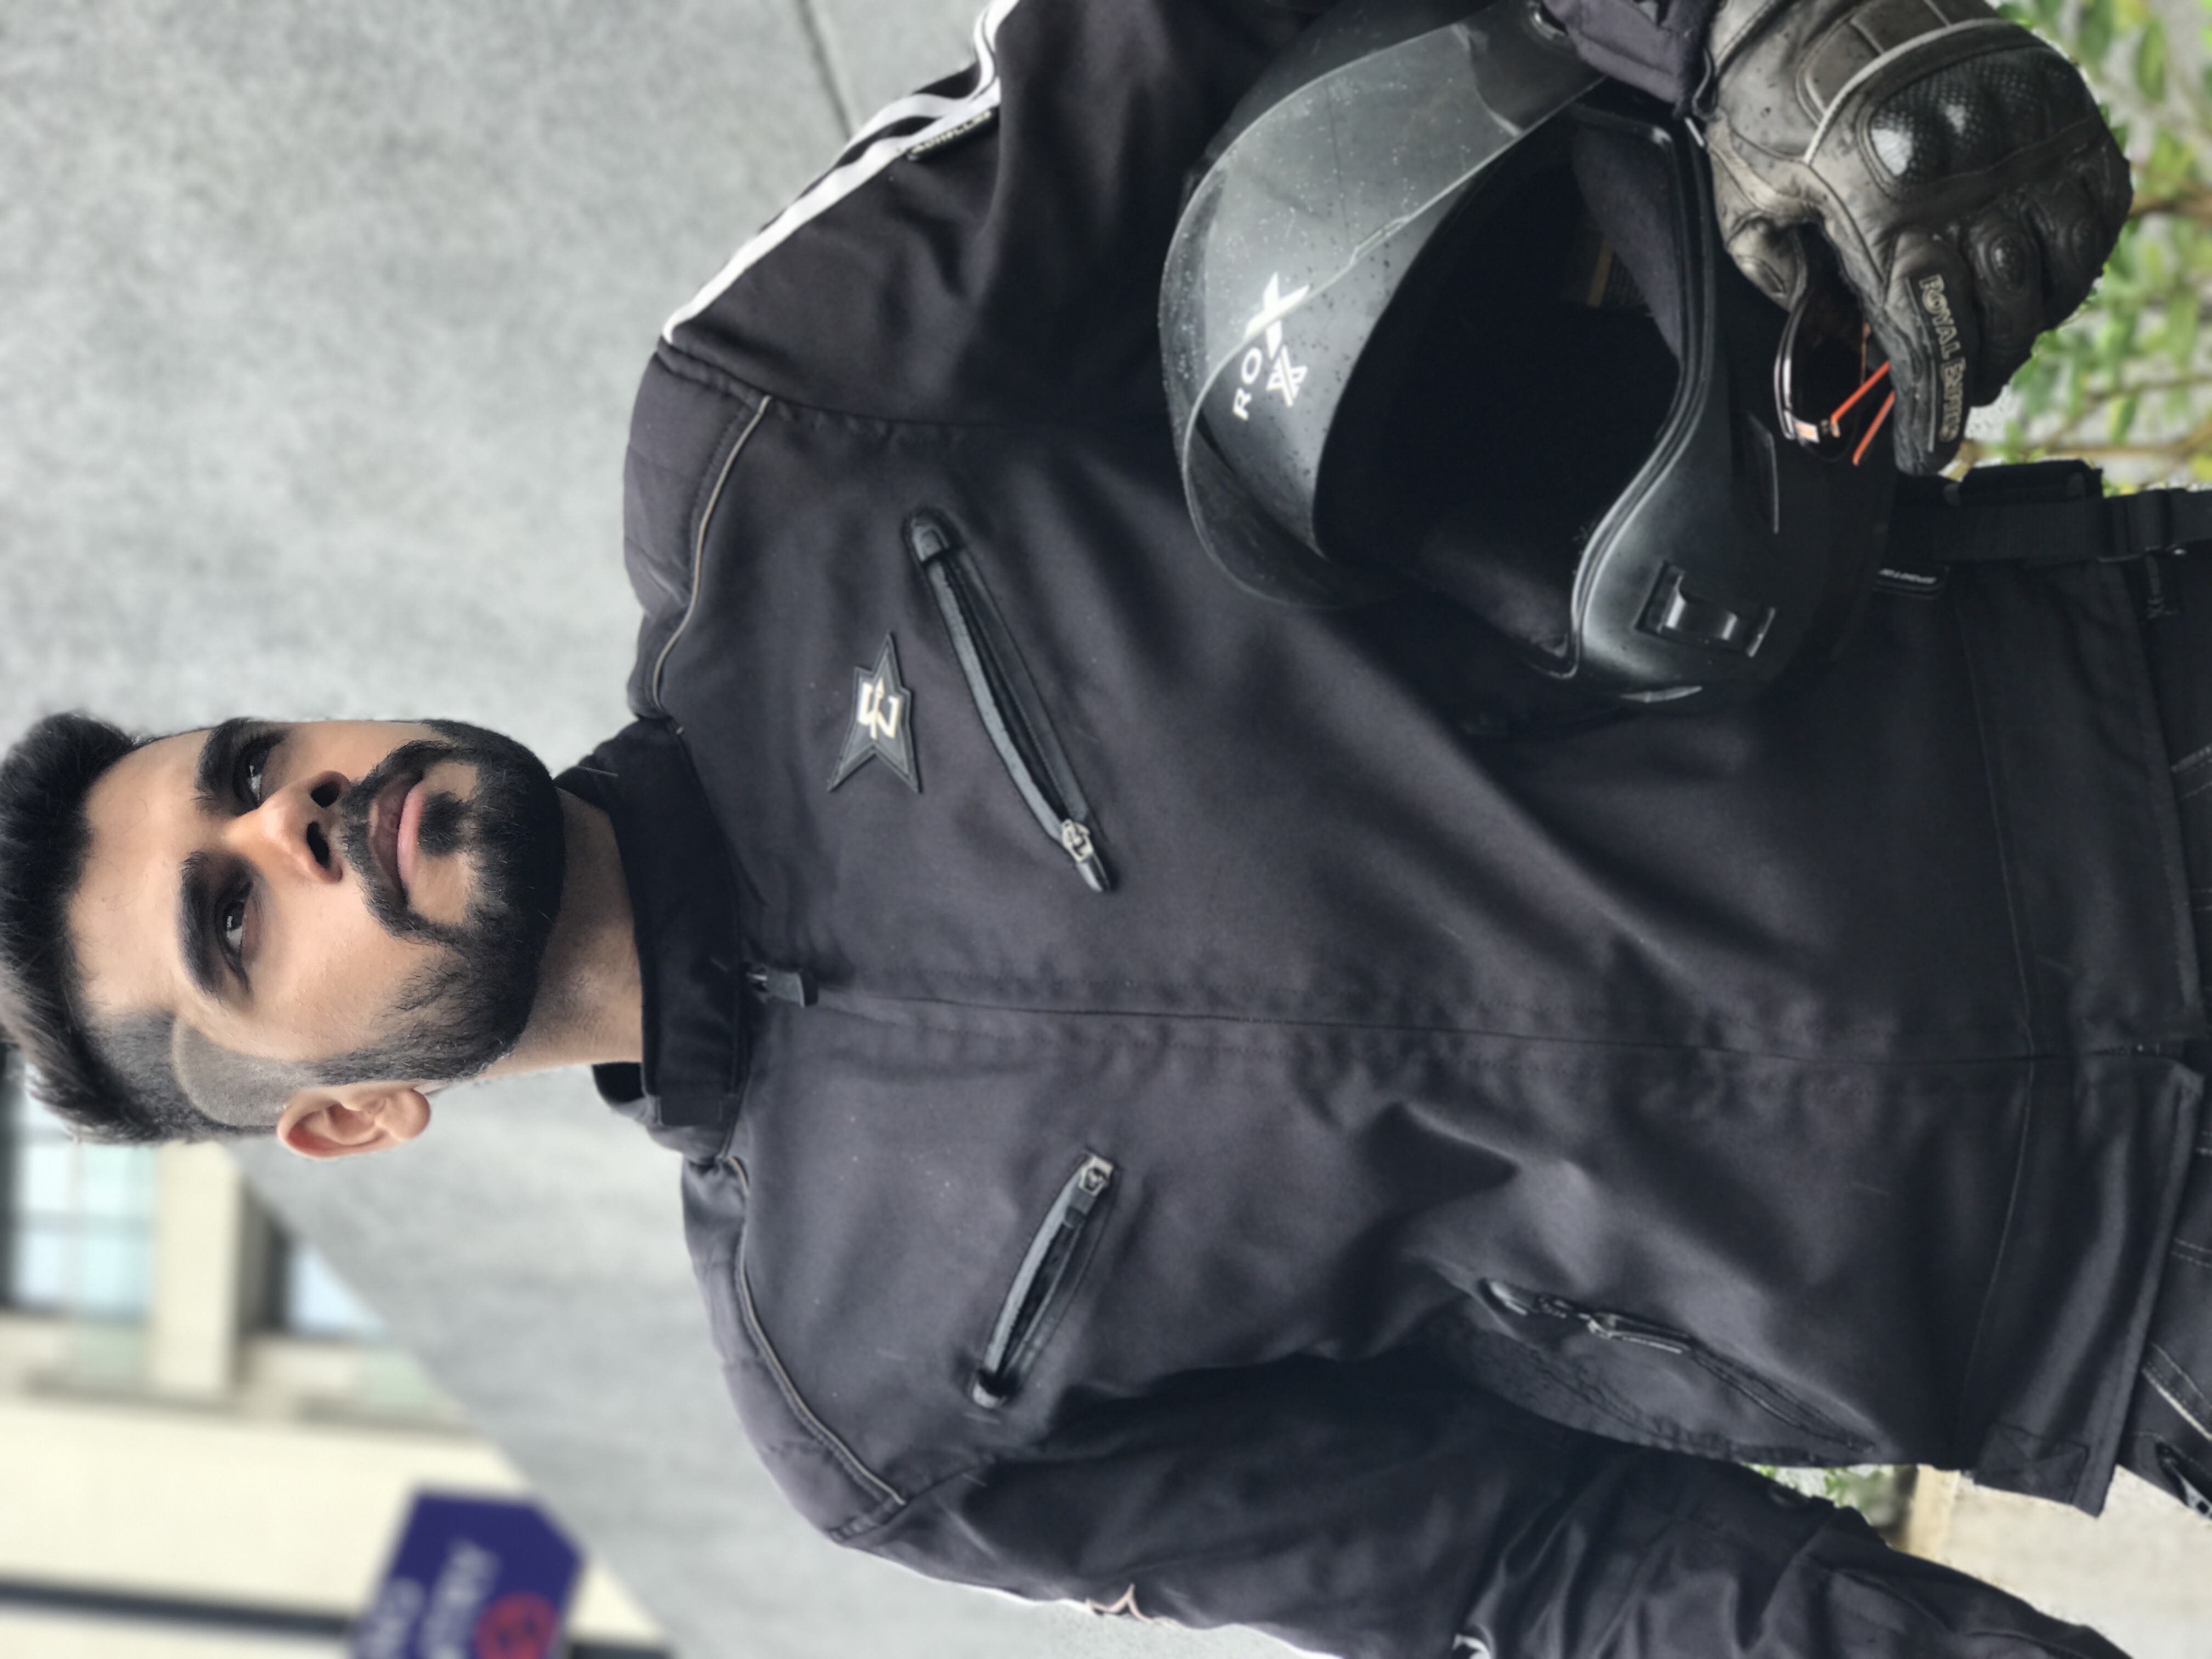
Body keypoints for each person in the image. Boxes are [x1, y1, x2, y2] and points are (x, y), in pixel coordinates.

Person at [1, 1, 2194, 1655]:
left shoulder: (782, 442)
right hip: (2129, 1289)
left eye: (245, 764)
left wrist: (1752, 42)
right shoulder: (870, 1407)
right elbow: (1539, 1564)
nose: (297, 819)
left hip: (2126, 726)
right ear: (347, 1121)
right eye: (231, 921)